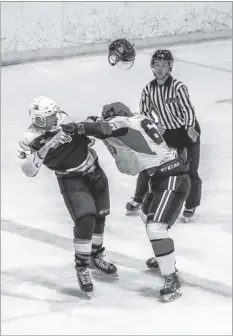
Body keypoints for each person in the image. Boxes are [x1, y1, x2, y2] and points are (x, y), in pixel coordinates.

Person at [88, 102, 191, 302]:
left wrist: (79, 127)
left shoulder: (124, 122)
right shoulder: (138, 120)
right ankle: (164, 258)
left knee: (156, 228)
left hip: (172, 179)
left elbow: (106, 128)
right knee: (146, 216)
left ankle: (171, 278)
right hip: (162, 177)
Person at [17, 96, 119, 297]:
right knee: (85, 219)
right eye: (51, 116)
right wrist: (47, 146)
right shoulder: (29, 139)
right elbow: (28, 170)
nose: (57, 117)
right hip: (70, 179)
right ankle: (81, 266)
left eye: (56, 113)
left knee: (100, 216)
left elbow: (83, 136)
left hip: (94, 171)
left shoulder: (62, 119)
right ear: (39, 120)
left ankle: (95, 256)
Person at [125, 49, 202, 221]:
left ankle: (191, 204)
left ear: (170, 67)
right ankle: (138, 199)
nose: (160, 68)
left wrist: (190, 127)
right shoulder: (148, 90)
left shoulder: (178, 87)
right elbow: (144, 113)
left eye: (164, 65)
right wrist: (153, 125)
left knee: (190, 170)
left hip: (187, 132)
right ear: (152, 66)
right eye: (157, 65)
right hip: (167, 133)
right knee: (150, 164)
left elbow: (188, 109)